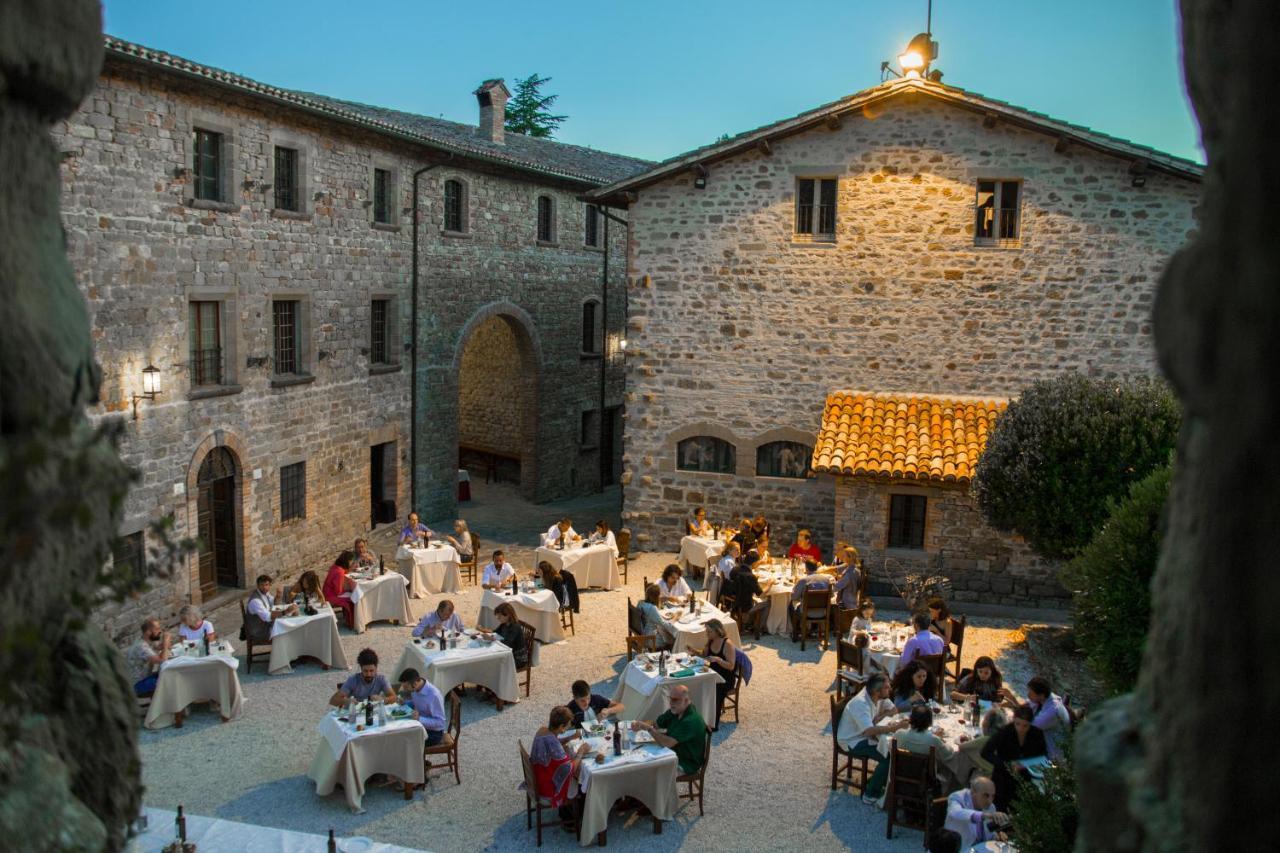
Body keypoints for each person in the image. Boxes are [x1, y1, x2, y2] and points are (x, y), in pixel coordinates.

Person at [835, 673, 911, 805]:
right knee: (889, 757)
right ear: (877, 691)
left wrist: (882, 716)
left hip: (865, 735)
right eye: (887, 687)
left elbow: (893, 710)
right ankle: (870, 794)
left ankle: (874, 782)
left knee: (891, 750)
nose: (890, 689)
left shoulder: (878, 696)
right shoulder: (861, 704)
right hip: (853, 741)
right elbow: (869, 730)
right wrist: (895, 728)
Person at [530, 706, 592, 830]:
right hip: (548, 787)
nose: (569, 727)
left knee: (577, 769)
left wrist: (569, 738)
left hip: (538, 776)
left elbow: (555, 743)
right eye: (568, 725)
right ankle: (572, 819)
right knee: (581, 779)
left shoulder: (542, 731)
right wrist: (581, 752)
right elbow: (570, 769)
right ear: (561, 727)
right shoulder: (553, 743)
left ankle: (569, 814)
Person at [981, 704, 1047, 811]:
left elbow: (1043, 756)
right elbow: (985, 752)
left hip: (1024, 780)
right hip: (1002, 780)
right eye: (1018, 724)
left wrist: (1025, 764)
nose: (1021, 728)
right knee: (999, 812)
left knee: (1018, 812)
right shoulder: (1005, 732)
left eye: (1025, 726)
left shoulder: (1037, 734)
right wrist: (1007, 765)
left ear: (1031, 723)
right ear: (1014, 720)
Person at [634, 684, 707, 775]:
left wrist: (648, 728)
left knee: (647, 770)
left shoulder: (691, 720)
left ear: (687, 701)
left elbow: (667, 743)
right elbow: (656, 724)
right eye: (670, 698)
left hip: (685, 763)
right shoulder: (676, 710)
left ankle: (656, 788)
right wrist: (640, 724)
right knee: (639, 759)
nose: (671, 702)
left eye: (675, 699)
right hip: (672, 752)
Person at [1002, 676, 1070, 760]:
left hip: (1051, 752)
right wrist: (1012, 699)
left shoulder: (1052, 711)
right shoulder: (1044, 697)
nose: (1028, 695)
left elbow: (1025, 728)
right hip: (1041, 738)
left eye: (1031, 693)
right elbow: (1025, 708)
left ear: (1041, 695)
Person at [944, 776, 1009, 850]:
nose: (990, 801)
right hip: (960, 849)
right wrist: (984, 815)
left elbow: (988, 833)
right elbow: (956, 812)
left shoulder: (991, 807)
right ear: (973, 792)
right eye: (986, 795)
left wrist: (997, 836)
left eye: (992, 796)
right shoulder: (957, 797)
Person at [895, 704, 956, 780]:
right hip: (924, 782)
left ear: (910, 719)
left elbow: (889, 751)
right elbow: (949, 754)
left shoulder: (899, 734)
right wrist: (940, 739)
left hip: (900, 777)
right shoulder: (934, 740)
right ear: (930, 722)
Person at [701, 619, 737, 731]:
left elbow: (731, 666)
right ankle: (701, 719)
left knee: (715, 688)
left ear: (717, 631)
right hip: (712, 674)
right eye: (707, 631)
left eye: (709, 632)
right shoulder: (711, 641)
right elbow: (705, 657)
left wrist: (718, 659)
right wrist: (696, 652)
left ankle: (712, 724)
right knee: (697, 683)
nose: (707, 634)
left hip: (725, 678)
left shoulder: (727, 644)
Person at [397, 667, 447, 746]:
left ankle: (415, 758)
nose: (405, 690)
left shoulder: (434, 695)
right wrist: (405, 703)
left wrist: (419, 719)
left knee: (405, 743)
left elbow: (440, 722)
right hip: (420, 726)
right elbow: (416, 702)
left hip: (434, 733)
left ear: (415, 684)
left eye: (406, 687)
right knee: (398, 734)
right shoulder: (416, 689)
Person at [330, 648, 397, 706]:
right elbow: (333, 701)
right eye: (365, 671)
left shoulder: (381, 679)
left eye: (371, 671)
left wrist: (383, 699)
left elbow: (394, 697)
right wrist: (347, 701)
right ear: (361, 669)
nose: (368, 674)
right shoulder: (353, 680)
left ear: (376, 669)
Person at [244, 573, 297, 644]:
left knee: (291, 626)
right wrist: (286, 611)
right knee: (289, 632)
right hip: (260, 632)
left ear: (270, 585)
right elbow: (268, 617)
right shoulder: (255, 601)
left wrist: (278, 596)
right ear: (257, 586)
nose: (264, 587)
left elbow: (275, 605)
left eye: (266, 585)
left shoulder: (266, 593)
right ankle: (281, 653)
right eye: (262, 585)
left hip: (267, 626)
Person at [126, 618, 171, 695]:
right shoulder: (141, 647)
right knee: (169, 681)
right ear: (148, 632)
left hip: (146, 677)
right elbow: (163, 660)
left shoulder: (146, 639)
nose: (160, 631)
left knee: (170, 674)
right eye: (157, 629)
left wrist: (165, 642)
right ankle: (166, 705)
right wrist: (166, 642)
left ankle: (165, 704)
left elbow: (160, 647)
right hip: (138, 684)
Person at [788, 560, 831, 640]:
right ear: (817, 568)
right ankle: (814, 630)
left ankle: (796, 631)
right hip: (823, 612)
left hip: (806, 612)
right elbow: (830, 596)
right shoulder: (826, 580)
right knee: (815, 604)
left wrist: (795, 587)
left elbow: (794, 597)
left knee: (791, 605)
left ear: (806, 568)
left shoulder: (803, 580)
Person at [481, 602, 528, 668]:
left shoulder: (515, 627)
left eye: (499, 616)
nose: (497, 618)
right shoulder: (504, 623)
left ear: (508, 615)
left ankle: (501, 677)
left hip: (518, 658)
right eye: (497, 615)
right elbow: (495, 632)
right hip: (508, 653)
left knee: (493, 664)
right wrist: (482, 629)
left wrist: (491, 638)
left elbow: (506, 644)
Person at [322, 550, 357, 628]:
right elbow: (338, 591)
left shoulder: (335, 567)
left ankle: (350, 620)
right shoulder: (339, 572)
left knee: (352, 594)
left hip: (326, 593)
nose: (351, 562)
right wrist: (348, 590)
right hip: (331, 596)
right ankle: (352, 623)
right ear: (347, 561)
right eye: (351, 561)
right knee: (354, 598)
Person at [833, 546, 862, 610]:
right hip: (853, 599)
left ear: (850, 557)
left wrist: (829, 585)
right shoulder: (857, 570)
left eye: (844, 555)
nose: (842, 557)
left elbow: (837, 587)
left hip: (847, 603)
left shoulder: (850, 572)